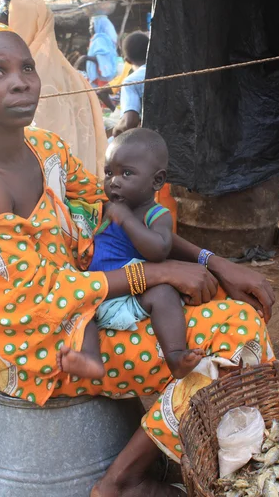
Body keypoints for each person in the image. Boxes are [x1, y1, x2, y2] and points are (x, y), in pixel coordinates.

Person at [0, 21, 275, 497]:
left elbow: (116, 209)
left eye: (26, 68)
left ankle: (165, 455)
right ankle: (122, 481)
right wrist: (156, 272)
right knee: (235, 332)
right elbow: (41, 296)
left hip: (89, 311)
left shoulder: (44, 149)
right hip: (44, 347)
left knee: (223, 307)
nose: (20, 81)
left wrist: (212, 261)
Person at [57, 128, 204, 382]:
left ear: (156, 181)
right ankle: (91, 360)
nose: (114, 181)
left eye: (126, 173)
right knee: (79, 307)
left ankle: (176, 356)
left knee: (164, 294)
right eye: (108, 173)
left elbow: (159, 250)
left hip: (136, 293)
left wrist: (127, 221)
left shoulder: (156, 215)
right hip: (100, 290)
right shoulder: (105, 209)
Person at [0, 0, 107, 177]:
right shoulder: (67, 74)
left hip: (47, 188)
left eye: (3, 31)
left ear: (24, 27)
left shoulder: (33, 80)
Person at [112, 31, 149, 138]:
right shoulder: (168, 71)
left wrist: (115, 131)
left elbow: (129, 122)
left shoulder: (131, 81)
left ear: (127, 60)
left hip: (151, 140)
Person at [75, 15, 118, 88]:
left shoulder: (100, 39)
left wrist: (85, 58)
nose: (90, 28)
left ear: (99, 25)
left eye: (92, 25)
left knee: (100, 93)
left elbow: (102, 59)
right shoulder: (98, 39)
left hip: (102, 77)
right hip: (99, 76)